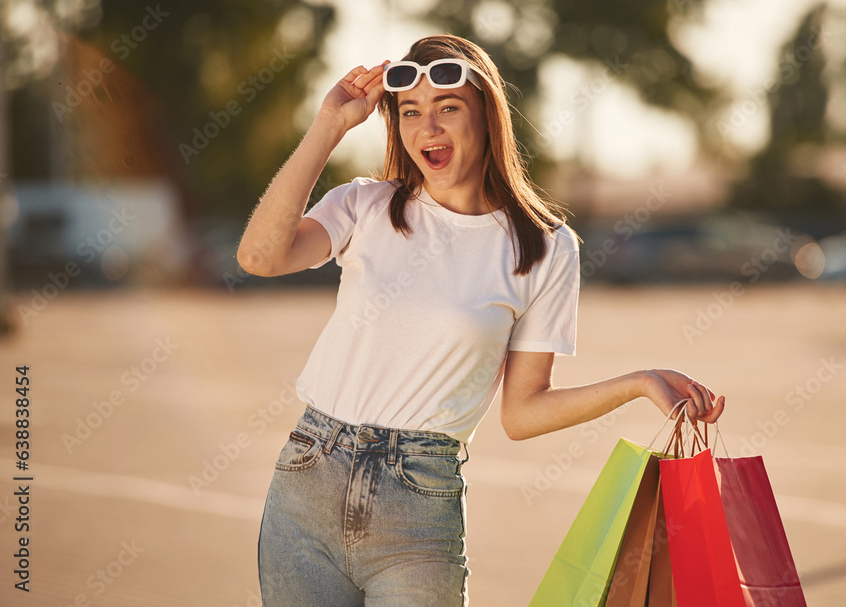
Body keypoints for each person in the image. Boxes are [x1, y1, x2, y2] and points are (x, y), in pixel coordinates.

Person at [237, 34, 725, 607]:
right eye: (411, 113)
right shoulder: (364, 205)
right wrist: (328, 125)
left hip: (419, 501)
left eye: (448, 109)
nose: (428, 130)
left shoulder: (545, 247)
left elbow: (521, 413)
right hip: (309, 475)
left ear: (487, 116)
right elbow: (259, 257)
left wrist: (639, 383)